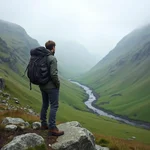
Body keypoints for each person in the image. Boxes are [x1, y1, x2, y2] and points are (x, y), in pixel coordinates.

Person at [39, 40, 64, 136]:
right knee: (54, 106)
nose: (55, 49)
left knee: (45, 104)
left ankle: (43, 124)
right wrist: (57, 84)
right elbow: (53, 74)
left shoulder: (41, 57)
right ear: (53, 48)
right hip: (51, 87)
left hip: (42, 85)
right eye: (55, 47)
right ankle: (53, 127)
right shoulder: (52, 58)